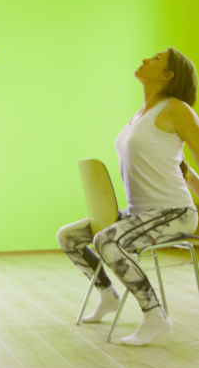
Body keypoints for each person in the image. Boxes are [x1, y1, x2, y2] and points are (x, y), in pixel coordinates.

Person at [57, 48, 199, 345]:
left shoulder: (177, 109)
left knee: (106, 240)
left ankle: (154, 316)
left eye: (156, 59)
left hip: (175, 213)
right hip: (140, 213)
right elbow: (184, 170)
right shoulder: (140, 116)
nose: (146, 59)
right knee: (68, 237)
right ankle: (107, 296)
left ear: (167, 75)